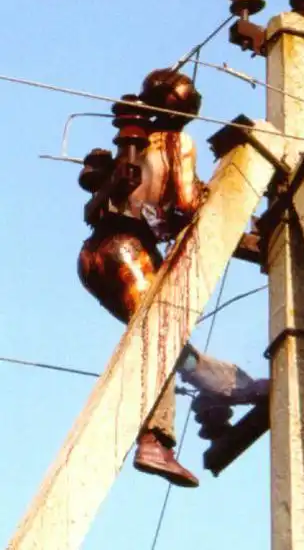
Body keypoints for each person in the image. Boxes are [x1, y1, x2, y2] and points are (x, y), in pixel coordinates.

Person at [77, 68, 206, 487]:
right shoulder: (177, 143)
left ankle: (223, 389)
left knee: (166, 339)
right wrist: (209, 198)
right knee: (161, 332)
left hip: (95, 255)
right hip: (129, 249)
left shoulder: (132, 148)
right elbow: (185, 202)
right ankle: (155, 439)